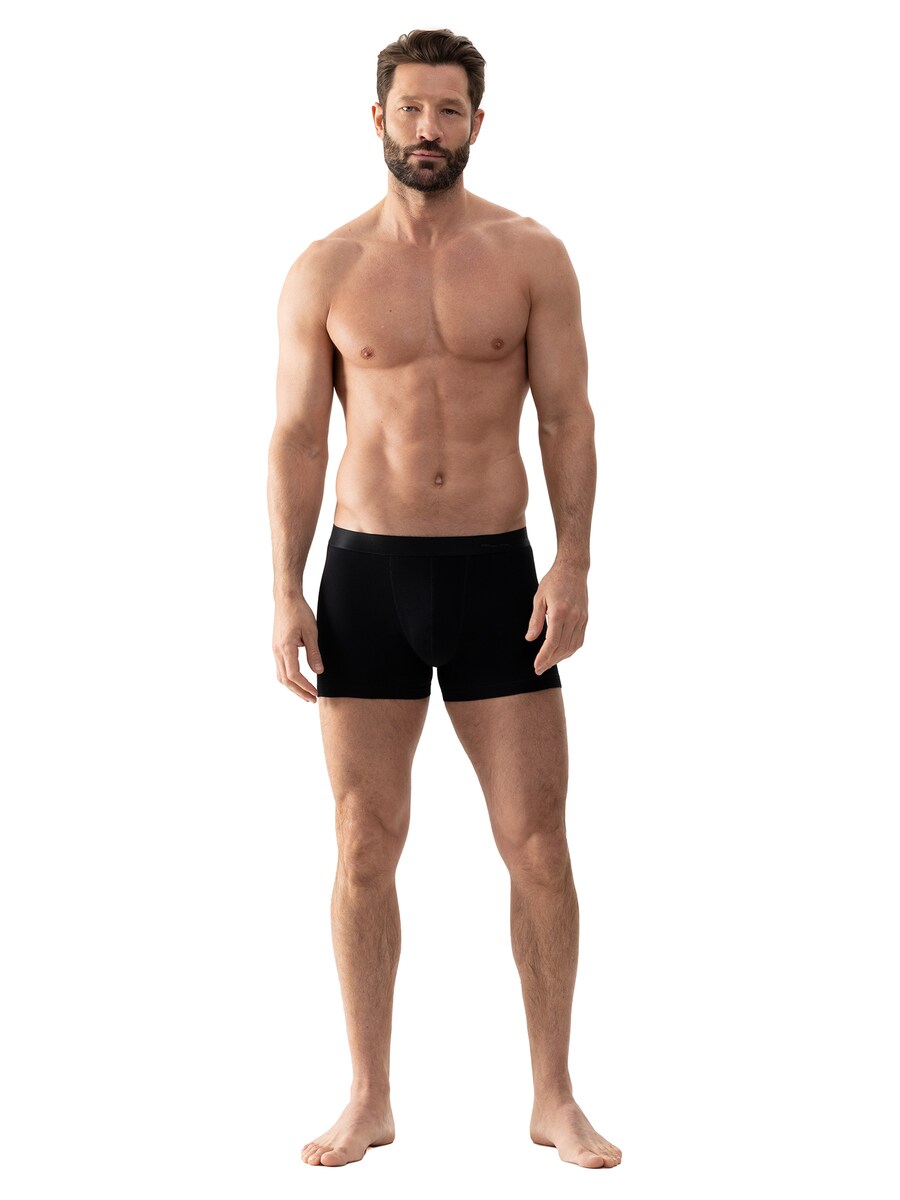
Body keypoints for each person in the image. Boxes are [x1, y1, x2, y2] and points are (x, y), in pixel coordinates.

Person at [267, 28, 621, 1171]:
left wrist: (574, 561)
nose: (430, 129)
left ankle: (554, 1097)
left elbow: (566, 419)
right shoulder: (324, 268)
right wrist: (283, 588)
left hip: (494, 578)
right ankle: (368, 1096)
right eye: (412, 109)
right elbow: (296, 437)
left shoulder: (531, 257)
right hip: (366, 579)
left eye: (450, 111)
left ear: (477, 123)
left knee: (538, 844)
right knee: (363, 842)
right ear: (378, 119)